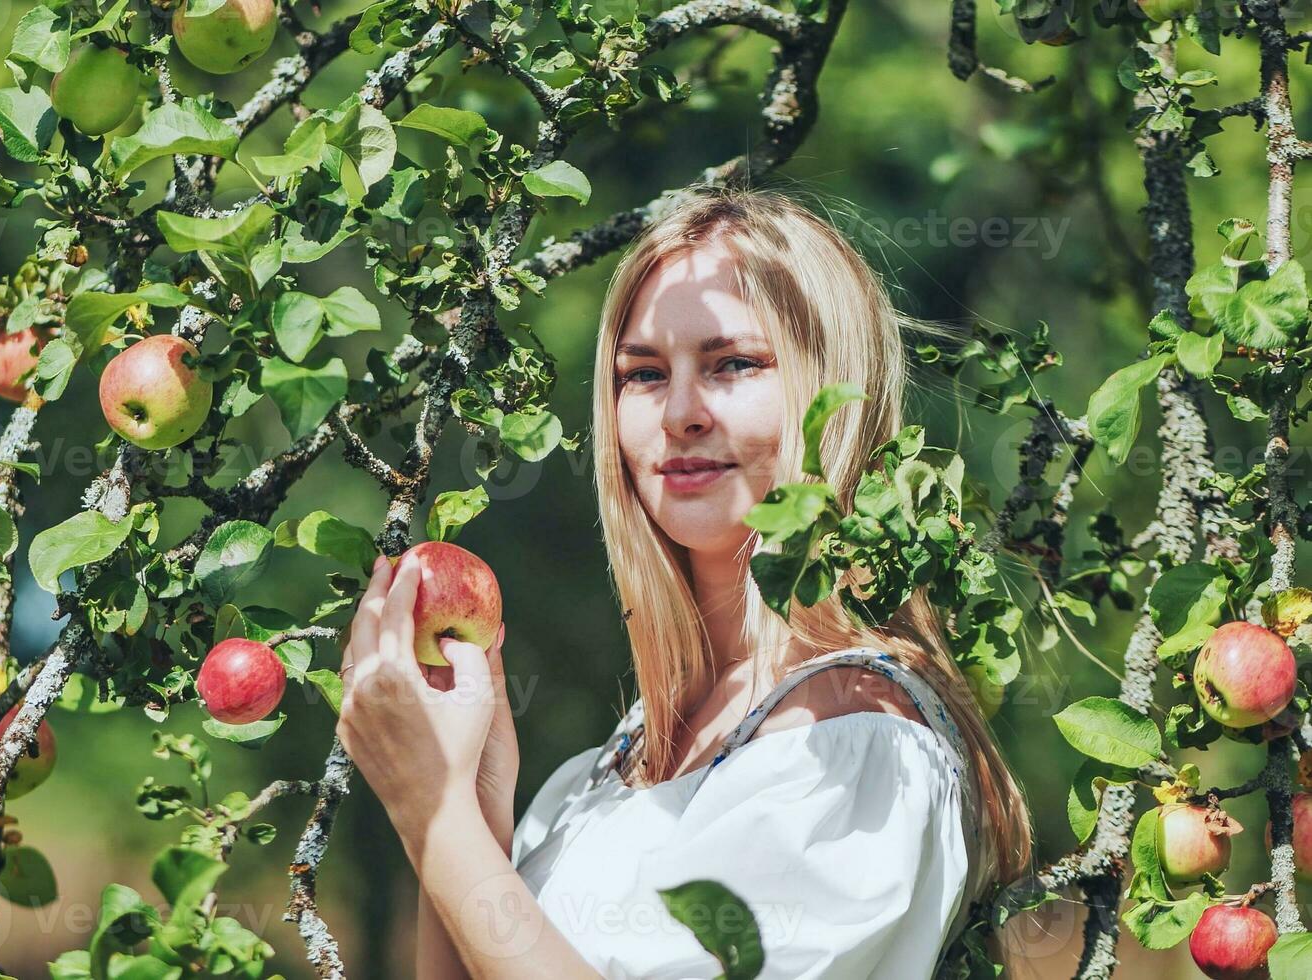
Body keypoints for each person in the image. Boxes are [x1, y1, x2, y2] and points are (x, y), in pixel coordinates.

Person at [334, 186, 1035, 978]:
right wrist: (472, 804)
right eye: (643, 373)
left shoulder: (850, 741)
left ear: (832, 391)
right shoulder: (610, 765)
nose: (680, 413)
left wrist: (429, 811)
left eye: (733, 363)